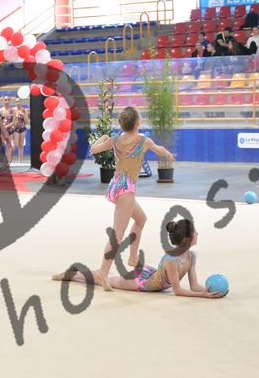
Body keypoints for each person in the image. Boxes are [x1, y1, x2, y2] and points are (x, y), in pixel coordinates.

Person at [87, 107, 174, 291]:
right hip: (126, 190)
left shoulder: (115, 139)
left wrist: (104, 138)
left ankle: (133, 258)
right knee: (118, 234)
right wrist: (168, 154)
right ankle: (103, 272)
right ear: (138, 122)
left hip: (117, 185)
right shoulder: (144, 141)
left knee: (141, 219)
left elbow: (94, 149)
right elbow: (159, 150)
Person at [53, 217, 224, 298]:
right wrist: (203, 296)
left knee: (107, 276)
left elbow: (194, 285)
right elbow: (177, 290)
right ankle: (73, 274)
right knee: (106, 279)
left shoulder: (191, 256)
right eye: (195, 232)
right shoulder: (171, 259)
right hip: (143, 282)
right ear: (187, 239)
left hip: (152, 275)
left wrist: (207, 290)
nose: (197, 234)